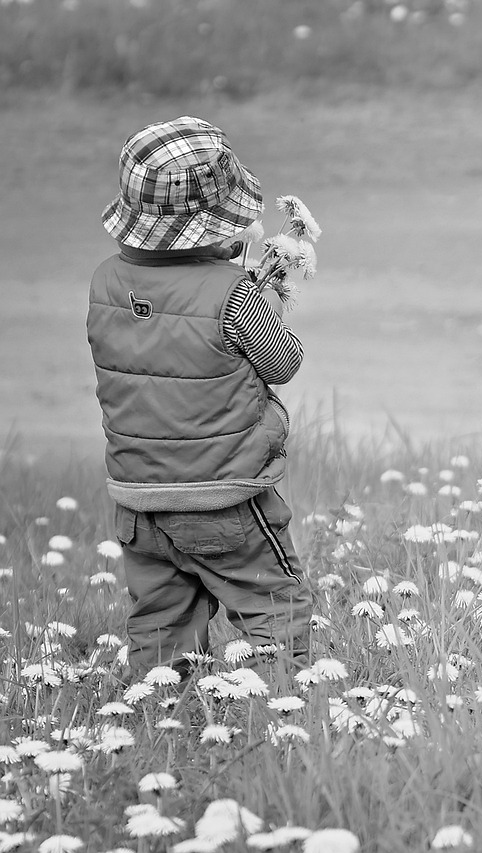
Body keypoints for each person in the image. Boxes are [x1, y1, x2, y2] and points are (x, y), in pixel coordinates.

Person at [86, 116, 311, 679]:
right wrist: (267, 294)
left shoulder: (105, 283)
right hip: (222, 496)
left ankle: (161, 714)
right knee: (272, 609)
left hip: (139, 501)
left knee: (160, 623)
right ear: (216, 229)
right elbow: (282, 361)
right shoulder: (232, 295)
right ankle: (275, 712)